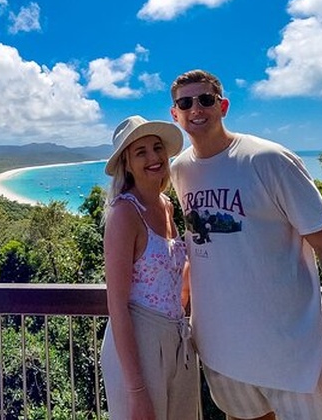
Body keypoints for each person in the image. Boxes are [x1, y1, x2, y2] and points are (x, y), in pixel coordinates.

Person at [168, 69, 322, 419]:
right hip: (222, 358)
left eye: (205, 99)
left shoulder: (269, 160)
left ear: (223, 106)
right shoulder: (180, 171)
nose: (196, 109)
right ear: (175, 114)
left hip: (297, 360)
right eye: (185, 103)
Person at [99, 115, 199, 420]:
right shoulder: (124, 214)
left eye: (157, 148)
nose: (154, 157)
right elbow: (117, 306)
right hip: (138, 342)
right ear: (126, 164)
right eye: (140, 152)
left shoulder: (167, 205)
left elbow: (172, 271)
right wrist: (136, 390)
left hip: (177, 337)